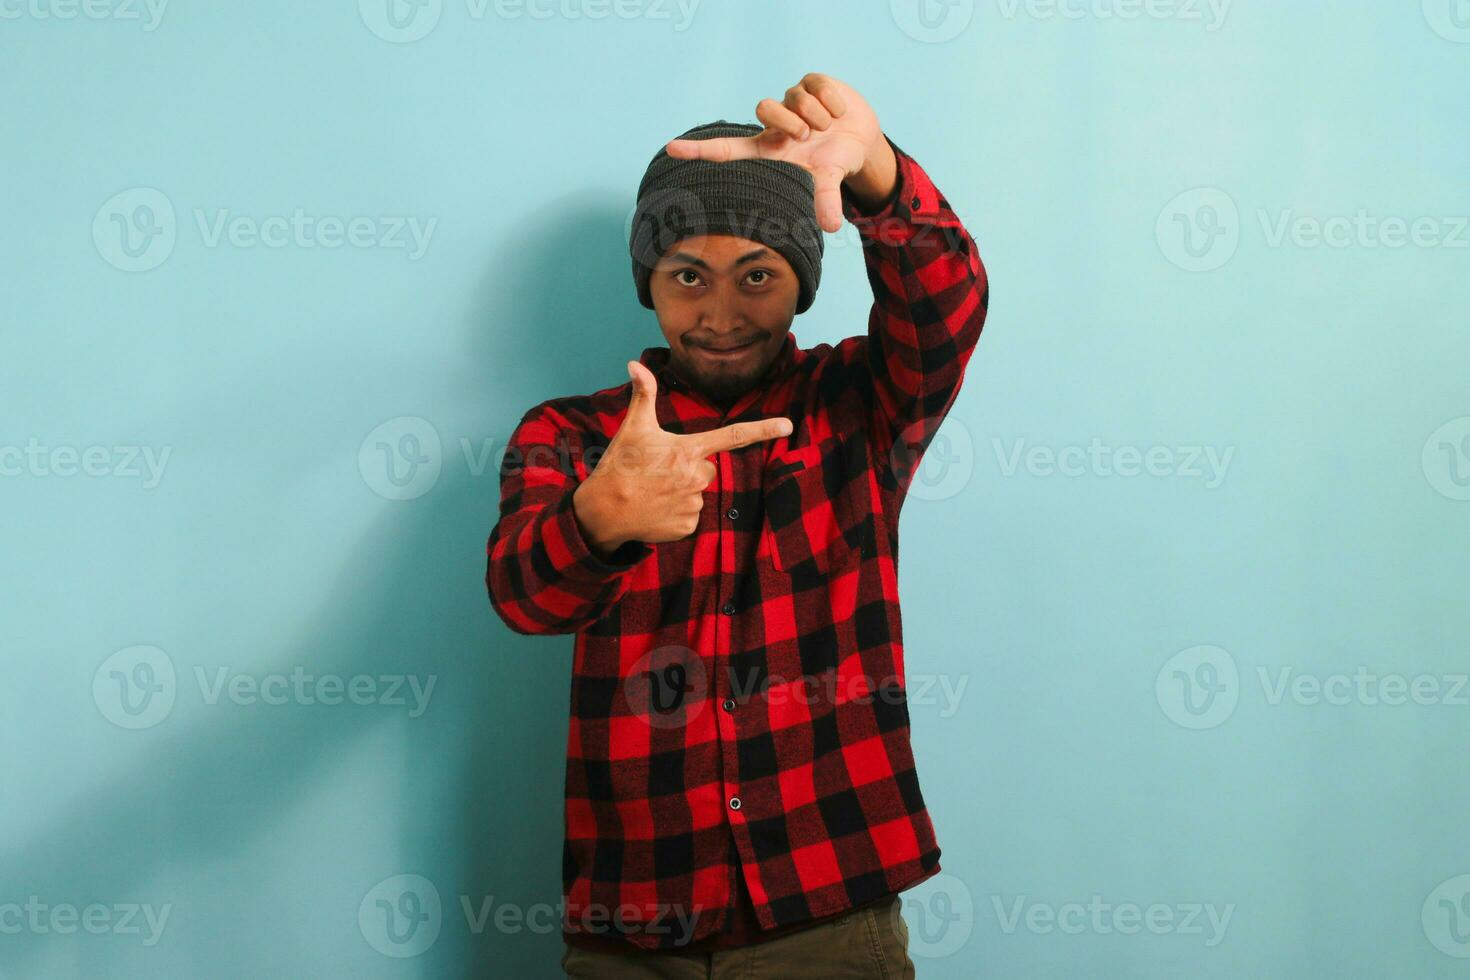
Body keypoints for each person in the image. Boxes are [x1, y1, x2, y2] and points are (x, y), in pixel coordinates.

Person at [485, 72, 989, 978]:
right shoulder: (570, 434)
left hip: (828, 915)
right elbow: (523, 596)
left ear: (800, 285)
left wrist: (876, 171)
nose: (720, 315)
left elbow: (947, 307)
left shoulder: (859, 407)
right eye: (689, 277)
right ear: (650, 285)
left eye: (757, 276)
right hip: (633, 928)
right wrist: (600, 517)